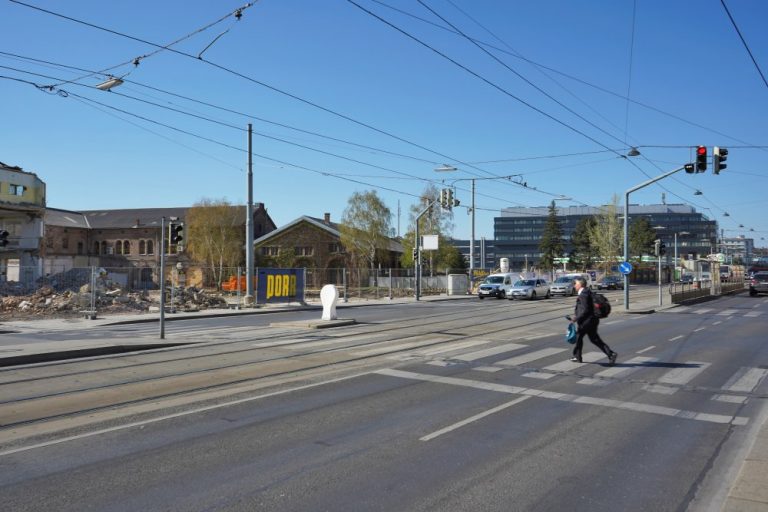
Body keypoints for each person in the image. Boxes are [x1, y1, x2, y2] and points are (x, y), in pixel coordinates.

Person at [569, 277, 617, 364]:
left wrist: (576, 318)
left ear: (580, 285)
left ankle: (577, 356)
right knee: (594, 339)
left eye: (575, 284)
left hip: (586, 321)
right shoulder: (587, 292)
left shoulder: (583, 294)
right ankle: (611, 354)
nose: (574, 285)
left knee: (579, 337)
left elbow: (585, 309)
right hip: (592, 320)